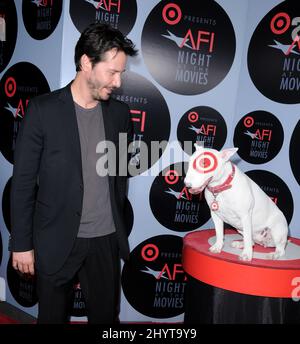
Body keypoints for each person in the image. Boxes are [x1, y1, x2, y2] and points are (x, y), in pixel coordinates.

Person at [10, 23, 138, 324]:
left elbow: (118, 176)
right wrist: (21, 244)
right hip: (56, 239)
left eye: (121, 73)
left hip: (105, 240)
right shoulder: (43, 111)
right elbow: (24, 183)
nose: (118, 82)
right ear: (86, 63)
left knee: (106, 320)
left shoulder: (120, 115)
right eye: (112, 72)